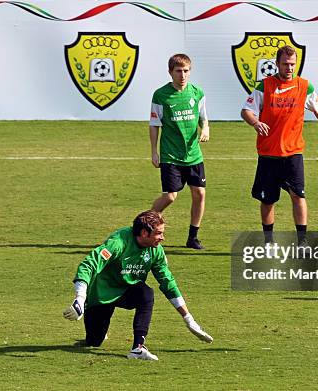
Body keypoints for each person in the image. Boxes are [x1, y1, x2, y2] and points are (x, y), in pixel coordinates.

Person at [63, 210, 213, 361]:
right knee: (94, 342)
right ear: (144, 233)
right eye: (159, 233)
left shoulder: (156, 251)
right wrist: (80, 298)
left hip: (128, 291)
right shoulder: (118, 242)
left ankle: (138, 348)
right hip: (101, 294)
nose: (162, 238)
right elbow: (88, 265)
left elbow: (168, 282)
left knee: (146, 294)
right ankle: (97, 328)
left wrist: (188, 319)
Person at [240, 45, 318, 245]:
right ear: (277, 64)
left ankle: (302, 241)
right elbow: (246, 111)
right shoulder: (264, 86)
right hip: (268, 154)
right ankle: (268, 242)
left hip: (293, 153)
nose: (289, 68)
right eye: (285, 64)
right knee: (267, 200)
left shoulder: (304, 86)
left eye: (292, 64)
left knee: (298, 195)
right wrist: (256, 122)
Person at [149, 54, 210, 250]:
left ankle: (193, 237)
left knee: (199, 194)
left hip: (193, 155)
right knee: (170, 197)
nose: (182, 75)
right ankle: (145, 224)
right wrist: (154, 151)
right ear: (170, 72)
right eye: (178, 71)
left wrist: (206, 128)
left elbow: (203, 117)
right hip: (171, 155)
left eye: (186, 71)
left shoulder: (197, 92)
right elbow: (154, 124)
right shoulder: (161, 95)